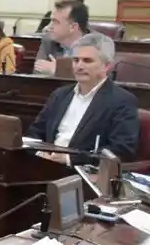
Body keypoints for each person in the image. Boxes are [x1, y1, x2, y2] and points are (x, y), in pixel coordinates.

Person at [27, 34, 139, 165]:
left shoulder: (122, 101)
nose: (79, 66)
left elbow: (121, 150)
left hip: (82, 174)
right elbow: (34, 132)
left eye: (87, 61)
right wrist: (40, 153)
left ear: (106, 66)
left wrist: (69, 159)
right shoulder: (60, 95)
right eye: (76, 60)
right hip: (44, 165)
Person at [35, 0, 100, 76]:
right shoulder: (48, 40)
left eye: (55, 22)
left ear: (73, 27)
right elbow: (37, 72)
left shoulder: (96, 45)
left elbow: (94, 80)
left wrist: (58, 71)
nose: (49, 27)